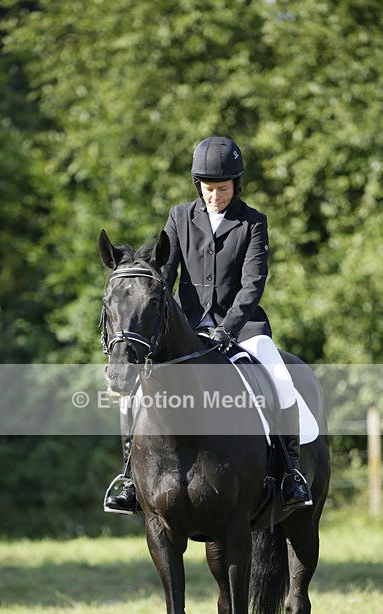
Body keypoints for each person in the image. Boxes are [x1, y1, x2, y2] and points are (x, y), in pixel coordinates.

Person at [105, 136, 312, 513]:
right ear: (197, 185)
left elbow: (252, 286)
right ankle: (128, 480)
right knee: (133, 392)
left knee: (281, 382)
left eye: (223, 188)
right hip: (186, 329)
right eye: (209, 188)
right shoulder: (180, 216)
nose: (215, 196)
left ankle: (289, 474)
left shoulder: (252, 223)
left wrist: (228, 328)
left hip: (243, 330)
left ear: (236, 185)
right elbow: (164, 274)